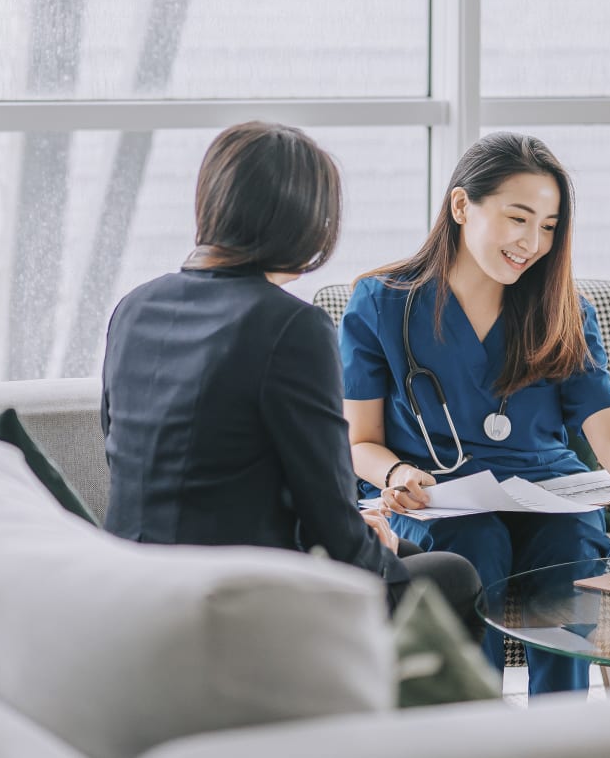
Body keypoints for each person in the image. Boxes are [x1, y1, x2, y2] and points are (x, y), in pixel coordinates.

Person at [100, 121, 485, 640]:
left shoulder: (135, 307)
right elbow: (328, 511)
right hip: (239, 593)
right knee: (454, 576)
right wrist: (369, 548)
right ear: (305, 220)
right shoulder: (291, 327)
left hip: (134, 578)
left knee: (410, 554)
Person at [340, 131, 610, 695]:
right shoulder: (381, 303)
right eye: (517, 218)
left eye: (548, 227)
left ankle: (558, 733)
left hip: (550, 492)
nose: (532, 242)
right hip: (438, 499)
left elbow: (609, 428)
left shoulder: (564, 311)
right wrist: (396, 475)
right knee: (475, 548)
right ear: (460, 206)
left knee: (571, 547)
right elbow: (361, 442)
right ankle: (472, 730)